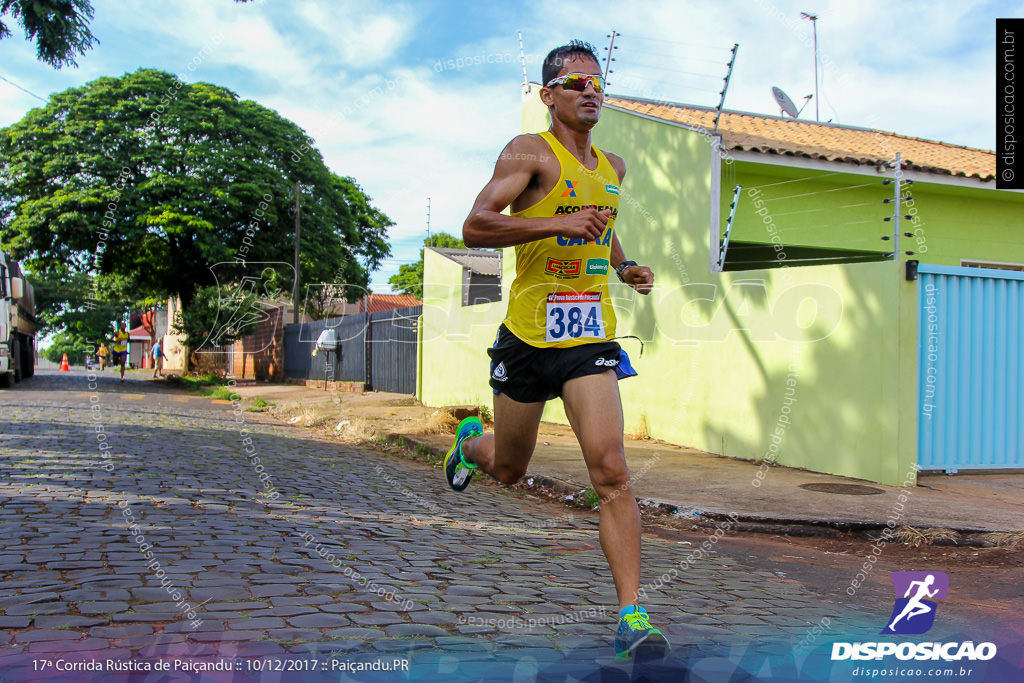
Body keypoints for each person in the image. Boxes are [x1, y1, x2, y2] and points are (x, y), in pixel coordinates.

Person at [445, 40, 665, 661]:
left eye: (598, 83)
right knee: (510, 468)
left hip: (588, 335)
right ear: (549, 96)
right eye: (575, 82)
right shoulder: (527, 153)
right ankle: (468, 444)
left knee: (611, 470)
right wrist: (554, 224)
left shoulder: (613, 166)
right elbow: (476, 226)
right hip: (526, 335)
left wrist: (624, 268)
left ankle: (631, 616)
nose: (590, 91)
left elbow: (605, 225)